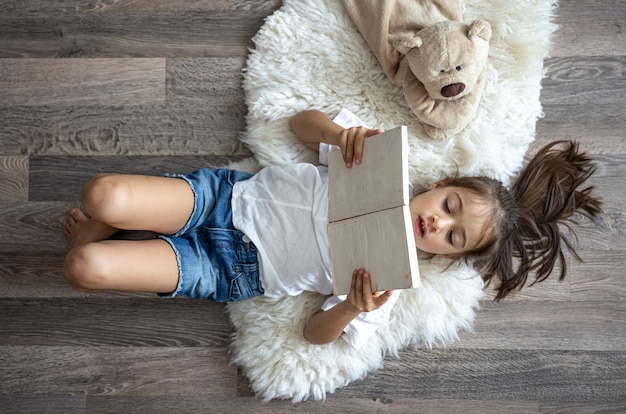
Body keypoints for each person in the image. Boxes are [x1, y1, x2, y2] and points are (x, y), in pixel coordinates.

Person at [63, 109, 602, 349]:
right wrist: (339, 133)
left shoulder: (386, 283)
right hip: (227, 200)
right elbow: (299, 123)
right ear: (437, 183)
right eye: (451, 204)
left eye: (453, 235)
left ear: (444, 254)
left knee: (84, 268)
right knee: (101, 194)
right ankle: (107, 220)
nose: (439, 221)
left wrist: (351, 308)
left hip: (231, 269)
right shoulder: (374, 163)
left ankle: (101, 235)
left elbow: (312, 336)